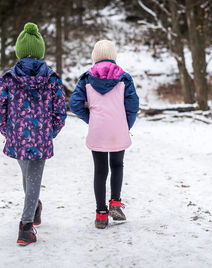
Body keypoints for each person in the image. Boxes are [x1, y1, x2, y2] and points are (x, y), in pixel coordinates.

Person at [0, 22, 67, 245]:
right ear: (41, 51)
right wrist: (50, 131)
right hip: (41, 137)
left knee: (29, 177)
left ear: (19, 51)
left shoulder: (8, 78)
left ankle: (33, 210)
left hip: (17, 137)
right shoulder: (52, 79)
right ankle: (26, 227)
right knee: (31, 178)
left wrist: (8, 130)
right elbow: (61, 109)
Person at [69, 40, 139, 229]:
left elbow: (74, 103)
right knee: (117, 165)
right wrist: (126, 125)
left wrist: (91, 119)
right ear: (113, 56)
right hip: (118, 129)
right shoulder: (124, 78)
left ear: (94, 57)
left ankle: (101, 214)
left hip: (98, 130)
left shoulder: (86, 78)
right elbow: (133, 106)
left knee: (100, 170)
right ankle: (115, 203)